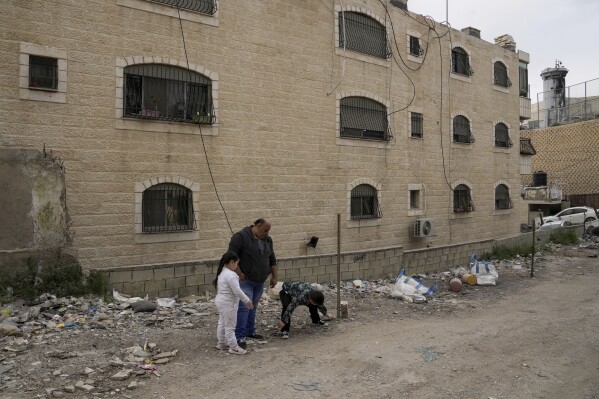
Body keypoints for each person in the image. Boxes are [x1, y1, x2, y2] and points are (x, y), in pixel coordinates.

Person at [228, 218, 277, 349]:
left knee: (253, 306)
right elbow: (231, 256)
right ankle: (240, 336)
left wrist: (274, 276)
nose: (266, 233)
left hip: (260, 280)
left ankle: (250, 331)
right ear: (257, 226)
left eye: (268, 231)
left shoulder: (267, 240)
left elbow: (272, 259)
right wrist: (239, 272)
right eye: (264, 230)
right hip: (245, 280)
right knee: (244, 306)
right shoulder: (241, 237)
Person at [213, 250, 254, 355]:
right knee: (230, 325)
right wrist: (247, 300)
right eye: (237, 263)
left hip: (221, 301)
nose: (237, 266)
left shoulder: (222, 272)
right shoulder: (231, 275)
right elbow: (237, 291)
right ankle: (234, 347)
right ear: (232, 262)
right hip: (228, 303)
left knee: (222, 322)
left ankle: (221, 343)